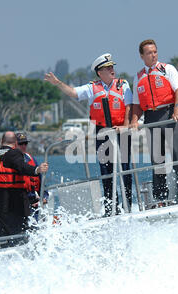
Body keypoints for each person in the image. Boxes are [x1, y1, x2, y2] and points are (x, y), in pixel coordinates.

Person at [44, 53, 133, 216]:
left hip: (121, 131)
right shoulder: (92, 88)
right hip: (102, 133)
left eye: (112, 67)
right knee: (107, 172)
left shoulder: (124, 85)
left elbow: (129, 107)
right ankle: (110, 209)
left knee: (125, 170)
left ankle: (128, 205)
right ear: (100, 72)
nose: (112, 70)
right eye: (108, 68)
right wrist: (57, 83)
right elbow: (73, 92)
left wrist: (126, 127)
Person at [130, 39, 178, 204]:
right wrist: (134, 120)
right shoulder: (138, 77)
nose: (153, 55)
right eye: (149, 53)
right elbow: (137, 104)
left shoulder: (167, 69)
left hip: (171, 114)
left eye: (155, 51)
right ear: (142, 56)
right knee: (157, 159)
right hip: (151, 118)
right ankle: (160, 197)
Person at [0, 131, 48, 240]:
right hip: (11, 206)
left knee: (0, 241)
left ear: (1, 142)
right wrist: (37, 169)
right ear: (15, 144)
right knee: (19, 239)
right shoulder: (14, 153)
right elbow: (22, 166)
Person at [15, 132, 48, 222]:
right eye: (21, 144)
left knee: (35, 229)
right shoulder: (10, 161)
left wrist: (44, 197)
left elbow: (41, 182)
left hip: (33, 203)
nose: (24, 146)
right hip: (18, 203)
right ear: (15, 145)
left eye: (25, 143)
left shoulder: (32, 160)